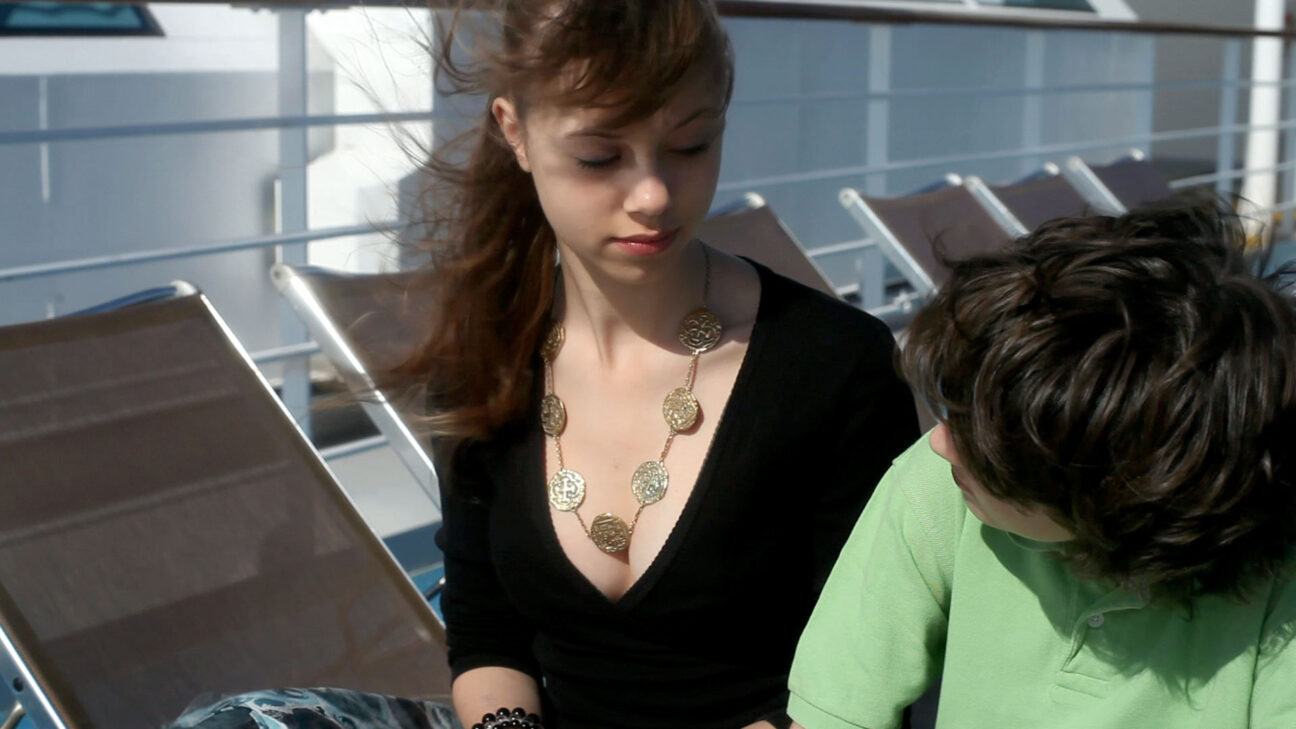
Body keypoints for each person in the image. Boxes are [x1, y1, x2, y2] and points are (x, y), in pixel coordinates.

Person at [169, 2, 917, 728]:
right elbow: (487, 632)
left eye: (691, 145)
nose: (653, 194)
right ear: (515, 131)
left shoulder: (832, 364)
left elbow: (866, 668)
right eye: (600, 156)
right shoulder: (488, 354)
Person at [786, 203, 1296, 729]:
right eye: (955, 406)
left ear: (1122, 492)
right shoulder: (944, 486)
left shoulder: (1282, 573)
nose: (940, 442)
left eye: (989, 444)